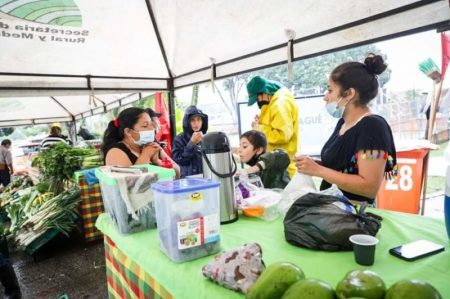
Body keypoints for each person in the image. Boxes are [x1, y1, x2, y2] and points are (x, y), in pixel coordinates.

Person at [294, 54, 397, 204]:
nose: (325, 97)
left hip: (352, 215)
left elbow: (369, 187)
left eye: (330, 90)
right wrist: (314, 164)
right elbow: (342, 166)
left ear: (349, 94)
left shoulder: (373, 127)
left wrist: (318, 170)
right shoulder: (343, 122)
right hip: (331, 208)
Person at [102, 107, 180, 178]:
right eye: (145, 126)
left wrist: (157, 162)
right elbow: (130, 185)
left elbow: (177, 172)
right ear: (128, 131)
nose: (152, 128)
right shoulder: (116, 152)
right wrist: (145, 155)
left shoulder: (152, 146)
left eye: (151, 124)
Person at [246, 75, 298, 178]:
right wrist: (261, 122)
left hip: (284, 170)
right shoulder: (272, 102)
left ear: (265, 92)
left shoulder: (280, 104)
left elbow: (283, 135)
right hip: (275, 165)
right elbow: (273, 125)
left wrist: (259, 129)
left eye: (257, 98)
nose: (258, 102)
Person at [172, 105, 208, 177]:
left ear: (202, 121)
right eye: (192, 120)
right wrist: (192, 143)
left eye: (199, 119)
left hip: (204, 177)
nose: (196, 123)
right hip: (187, 180)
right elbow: (178, 161)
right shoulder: (179, 139)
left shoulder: (206, 138)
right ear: (187, 122)